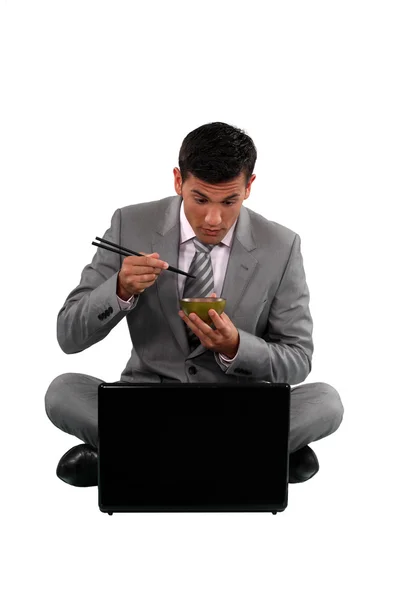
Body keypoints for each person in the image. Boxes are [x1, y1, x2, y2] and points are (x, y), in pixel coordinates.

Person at [45, 121, 344, 487]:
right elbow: (68, 336)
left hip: (240, 408)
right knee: (61, 391)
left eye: (229, 201)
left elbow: (298, 361)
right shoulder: (130, 224)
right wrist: (119, 289)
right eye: (200, 199)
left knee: (327, 402)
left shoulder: (281, 246)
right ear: (177, 181)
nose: (213, 219)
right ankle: (256, 456)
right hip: (145, 406)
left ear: (249, 187)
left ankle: (126, 456)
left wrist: (237, 348)